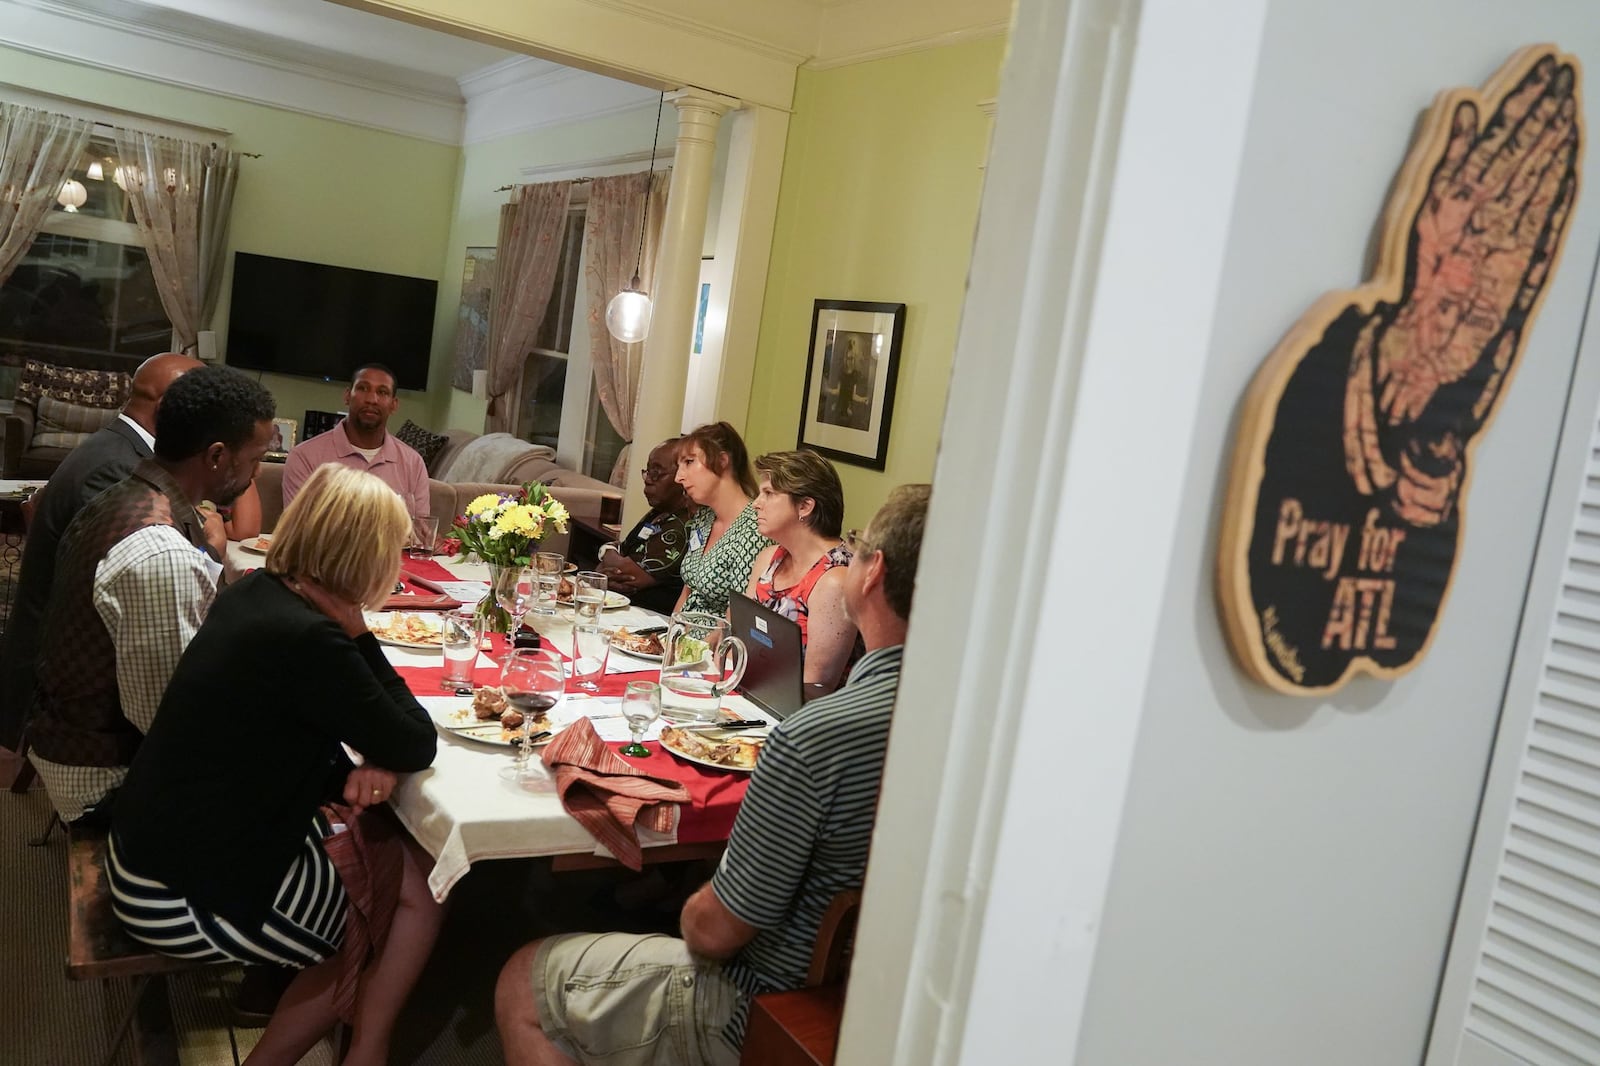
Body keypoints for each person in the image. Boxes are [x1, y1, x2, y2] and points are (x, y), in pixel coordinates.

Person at [495, 483, 930, 1066]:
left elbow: (714, 933)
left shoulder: (815, 739)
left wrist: (696, 892)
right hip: (905, 1005)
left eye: (856, 548)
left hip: (774, 1005)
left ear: (872, 572)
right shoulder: (984, 740)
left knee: (521, 980)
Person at [108, 464, 441, 1066]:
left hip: (149, 843)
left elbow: (288, 739)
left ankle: (364, 1045)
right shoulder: (311, 638)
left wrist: (381, 758)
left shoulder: (259, 591)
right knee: (394, 905)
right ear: (361, 553)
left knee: (408, 871)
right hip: (175, 889)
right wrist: (362, 634)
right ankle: (354, 1050)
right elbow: (416, 740)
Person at [25, 366, 276, 822]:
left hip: (76, 740)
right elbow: (167, 722)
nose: (257, 471)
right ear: (217, 456)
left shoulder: (126, 492)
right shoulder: (160, 552)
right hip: (102, 776)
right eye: (256, 459)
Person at [0, 352, 203, 758]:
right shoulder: (117, 467)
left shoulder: (117, 447)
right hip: (62, 684)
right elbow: (140, 579)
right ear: (170, 409)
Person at [743, 449, 857, 692]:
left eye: (769, 493)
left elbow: (815, 688)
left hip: (801, 716)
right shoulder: (768, 559)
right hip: (755, 692)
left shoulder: (835, 580)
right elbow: (740, 640)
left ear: (805, 506)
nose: (756, 504)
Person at [281, 364, 428, 516]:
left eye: (382, 392)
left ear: (393, 405)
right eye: (363, 388)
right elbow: (298, 531)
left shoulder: (413, 463)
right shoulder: (304, 456)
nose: (372, 399)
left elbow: (420, 531)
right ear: (347, 396)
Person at [673, 421, 772, 616]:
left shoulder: (754, 529)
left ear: (722, 461)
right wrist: (666, 638)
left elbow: (737, 615)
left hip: (714, 643)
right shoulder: (704, 517)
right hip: (681, 634)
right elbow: (688, 589)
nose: (678, 477)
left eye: (689, 462)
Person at [595, 437, 695, 614]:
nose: (648, 480)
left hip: (649, 618)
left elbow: (626, 574)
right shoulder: (658, 512)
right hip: (622, 610)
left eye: (657, 472)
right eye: (648, 472)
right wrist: (608, 552)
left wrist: (607, 558)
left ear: (682, 476)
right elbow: (621, 550)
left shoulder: (683, 524)